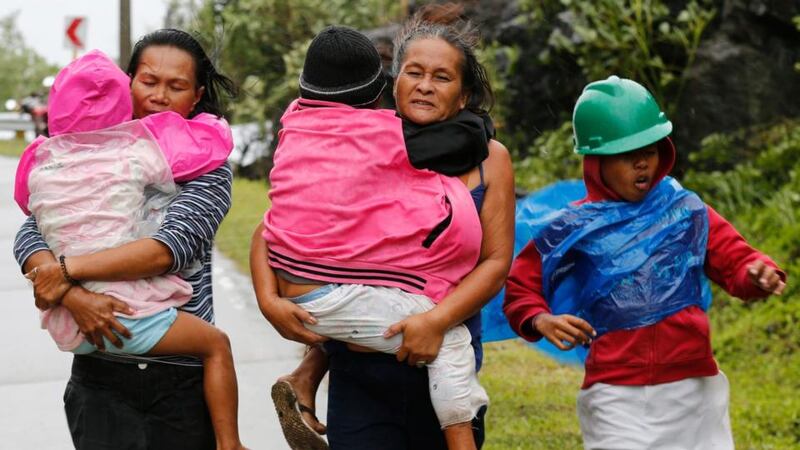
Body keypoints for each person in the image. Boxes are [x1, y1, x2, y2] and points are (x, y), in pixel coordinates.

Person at [252, 6, 515, 450]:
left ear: (464, 95)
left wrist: (436, 322)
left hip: (441, 363)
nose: (426, 86)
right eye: (414, 73)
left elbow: (495, 262)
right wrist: (268, 300)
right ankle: (308, 375)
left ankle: (306, 376)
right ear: (394, 83)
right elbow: (277, 227)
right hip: (361, 373)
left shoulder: (491, 158)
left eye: (442, 77)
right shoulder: (364, 145)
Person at [503, 76, 787, 450]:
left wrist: (758, 273)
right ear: (596, 161)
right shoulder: (574, 226)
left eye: (650, 151)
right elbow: (521, 284)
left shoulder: (686, 210)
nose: (642, 163)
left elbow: (736, 260)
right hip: (615, 394)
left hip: (695, 389)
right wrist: (540, 318)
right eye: (625, 155)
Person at [13, 29, 238, 450]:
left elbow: (169, 249)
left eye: (177, 86)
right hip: (98, 379)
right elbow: (30, 233)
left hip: (177, 379)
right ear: (127, 82)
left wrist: (64, 276)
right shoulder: (83, 154)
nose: (159, 96)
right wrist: (76, 297)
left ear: (197, 95)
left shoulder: (207, 164)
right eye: (148, 81)